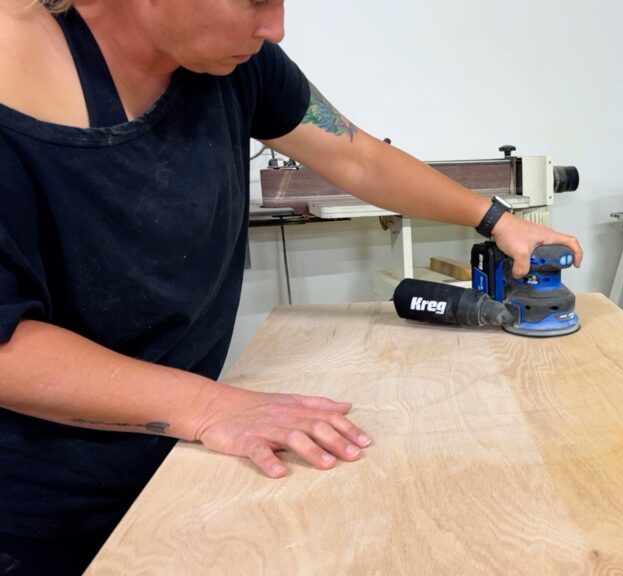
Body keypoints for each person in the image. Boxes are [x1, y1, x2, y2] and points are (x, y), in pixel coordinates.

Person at [0, 0, 583, 572]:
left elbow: (358, 159)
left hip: (178, 458)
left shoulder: (238, 64)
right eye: (254, 0)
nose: (275, 26)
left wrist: (498, 221)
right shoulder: (12, 68)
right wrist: (206, 407)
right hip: (38, 511)